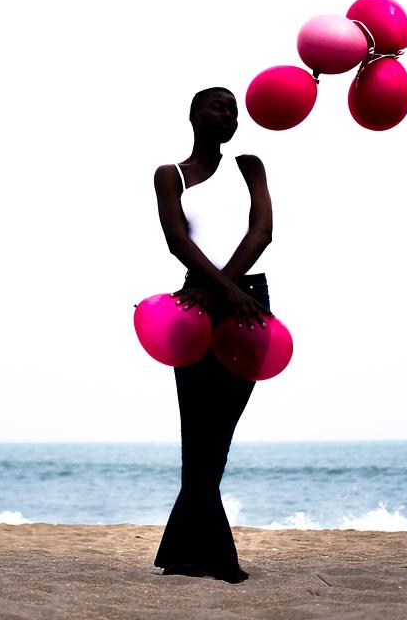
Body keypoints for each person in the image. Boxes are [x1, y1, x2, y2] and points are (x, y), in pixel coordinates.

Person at [152, 86, 274, 584]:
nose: (228, 114)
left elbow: (262, 232)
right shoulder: (170, 175)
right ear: (193, 115)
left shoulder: (249, 167)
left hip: (246, 301)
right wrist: (221, 290)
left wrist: (226, 291)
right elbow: (176, 240)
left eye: (233, 109)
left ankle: (182, 553)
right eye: (218, 106)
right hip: (195, 305)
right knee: (196, 435)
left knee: (218, 433)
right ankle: (211, 557)